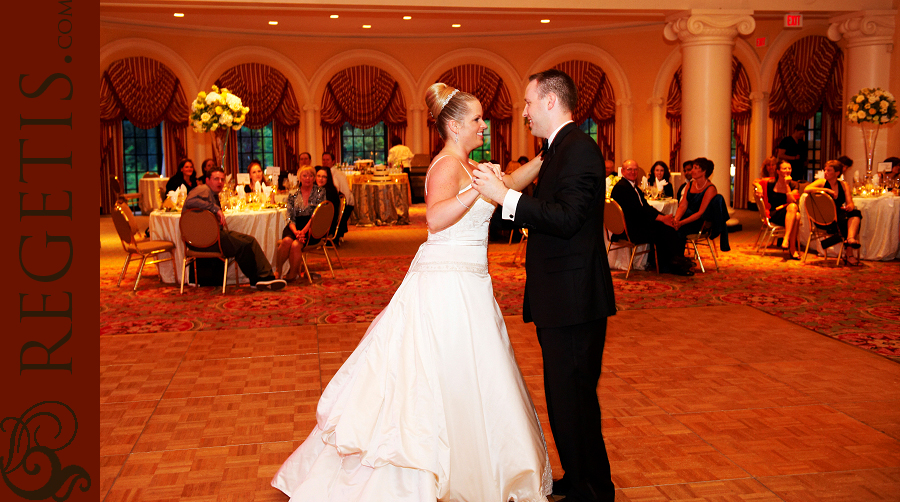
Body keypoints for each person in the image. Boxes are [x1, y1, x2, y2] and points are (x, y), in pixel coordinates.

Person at [272, 83, 551, 501]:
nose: (483, 125)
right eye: (476, 119)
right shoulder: (446, 166)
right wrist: (480, 187)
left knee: (471, 373)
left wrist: (546, 158)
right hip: (446, 281)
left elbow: (507, 183)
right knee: (437, 374)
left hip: (469, 280)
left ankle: (473, 465)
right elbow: (436, 219)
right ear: (455, 126)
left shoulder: (467, 163)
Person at [472, 69, 616, 502]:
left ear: (551, 102)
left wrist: (506, 198)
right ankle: (581, 476)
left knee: (574, 398)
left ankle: (593, 489)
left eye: (529, 104)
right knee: (566, 397)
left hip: (574, 299)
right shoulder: (557, 150)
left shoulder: (580, 150)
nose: (525, 113)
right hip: (562, 296)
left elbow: (568, 218)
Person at [182, 167, 286, 291]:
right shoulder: (203, 189)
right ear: (207, 180)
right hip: (205, 240)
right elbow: (190, 201)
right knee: (244, 245)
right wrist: (216, 209)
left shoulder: (212, 193)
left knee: (250, 240)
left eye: (222, 179)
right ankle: (260, 279)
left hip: (209, 237)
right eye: (216, 179)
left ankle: (264, 277)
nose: (220, 182)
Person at [612, 160, 691, 275]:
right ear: (623, 171)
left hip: (634, 224)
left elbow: (646, 207)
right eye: (629, 169)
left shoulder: (632, 187)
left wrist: (664, 217)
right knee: (663, 228)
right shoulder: (622, 188)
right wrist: (662, 219)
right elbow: (639, 211)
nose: (633, 172)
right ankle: (670, 264)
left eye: (635, 169)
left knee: (665, 225)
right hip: (629, 230)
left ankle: (675, 261)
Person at [804, 159, 863, 263]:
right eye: (825, 170)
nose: (825, 173)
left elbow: (850, 203)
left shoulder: (844, 185)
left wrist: (849, 206)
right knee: (846, 221)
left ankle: (849, 239)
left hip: (839, 215)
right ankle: (849, 253)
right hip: (825, 218)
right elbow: (807, 189)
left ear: (837, 173)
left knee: (855, 213)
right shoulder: (822, 182)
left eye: (829, 170)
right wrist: (826, 190)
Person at [275, 165, 325, 281]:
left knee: (296, 245)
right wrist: (296, 231)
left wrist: (303, 232)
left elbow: (316, 216)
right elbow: (289, 216)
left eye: (310, 175)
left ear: (314, 178)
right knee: (287, 241)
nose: (308, 178)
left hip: (312, 228)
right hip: (294, 226)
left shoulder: (320, 192)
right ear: (299, 178)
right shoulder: (293, 194)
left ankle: (292, 274)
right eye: (305, 175)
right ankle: (278, 270)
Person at [758, 160, 801, 259]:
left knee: (795, 211)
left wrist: (787, 185)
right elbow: (755, 181)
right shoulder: (771, 182)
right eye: (784, 168)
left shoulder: (794, 184)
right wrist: (759, 187)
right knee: (796, 215)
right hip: (774, 213)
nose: (787, 170)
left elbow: (792, 200)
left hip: (789, 212)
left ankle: (786, 239)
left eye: (789, 168)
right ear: (778, 171)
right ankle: (792, 249)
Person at [674, 157, 718, 237]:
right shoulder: (690, 185)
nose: (692, 171)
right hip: (685, 218)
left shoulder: (710, 189)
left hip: (698, 222)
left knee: (675, 232)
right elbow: (683, 205)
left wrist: (681, 223)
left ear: (704, 171)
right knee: (666, 228)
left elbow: (700, 213)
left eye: (695, 168)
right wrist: (676, 219)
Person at [324, 151, 355, 240]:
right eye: (323, 160)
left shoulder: (338, 174)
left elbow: (345, 192)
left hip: (346, 203)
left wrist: (344, 205)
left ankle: (334, 235)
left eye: (327, 160)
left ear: (333, 161)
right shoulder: (325, 172)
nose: (325, 162)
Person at [316, 165, 342, 236]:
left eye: (324, 177)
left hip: (326, 226)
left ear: (328, 179)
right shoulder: (318, 190)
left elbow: (323, 214)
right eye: (318, 176)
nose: (321, 179)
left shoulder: (329, 192)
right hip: (321, 222)